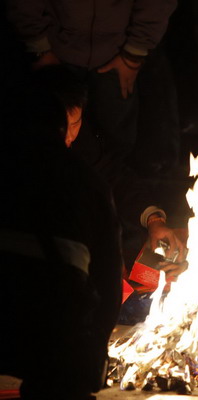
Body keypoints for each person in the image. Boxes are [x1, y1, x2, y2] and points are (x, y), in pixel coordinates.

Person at [0, 78, 122, 399]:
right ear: (58, 127)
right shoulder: (85, 180)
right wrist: (94, 351)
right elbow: (108, 280)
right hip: (57, 323)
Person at [30, 65, 187, 278]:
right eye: (60, 127)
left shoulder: (81, 140)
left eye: (75, 124)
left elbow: (112, 175)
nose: (68, 136)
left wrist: (154, 220)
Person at [5, 0, 179, 165]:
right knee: (52, 136)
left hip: (117, 53)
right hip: (57, 53)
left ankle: (106, 191)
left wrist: (133, 53)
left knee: (115, 140)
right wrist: (39, 48)